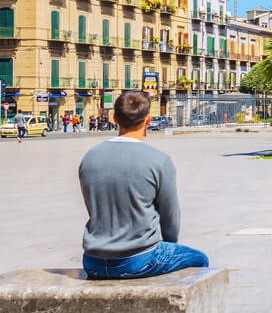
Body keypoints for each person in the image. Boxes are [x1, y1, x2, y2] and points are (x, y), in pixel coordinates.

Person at [79, 90, 209, 279]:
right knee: (200, 260)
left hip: (93, 261)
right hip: (139, 259)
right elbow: (170, 215)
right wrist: (171, 244)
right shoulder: (159, 160)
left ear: (115, 118)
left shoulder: (89, 157)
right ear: (147, 120)